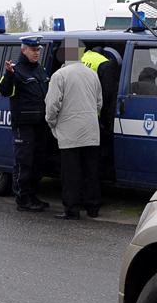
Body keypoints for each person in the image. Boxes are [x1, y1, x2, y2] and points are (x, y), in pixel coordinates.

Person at [47, 40, 103, 219]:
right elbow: (99, 102)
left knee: (71, 173)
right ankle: (93, 208)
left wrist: (52, 122)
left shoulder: (59, 75)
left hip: (69, 132)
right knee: (91, 171)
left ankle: (72, 210)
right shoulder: (92, 74)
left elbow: (52, 105)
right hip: (91, 131)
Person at [0, 37, 51, 212]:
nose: (36, 53)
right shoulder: (16, 71)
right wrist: (8, 75)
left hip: (40, 124)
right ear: (24, 50)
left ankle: (32, 195)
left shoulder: (40, 70)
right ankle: (22, 199)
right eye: (33, 50)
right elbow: (4, 91)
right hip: (24, 126)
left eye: (38, 50)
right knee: (24, 163)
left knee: (38, 163)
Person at [80, 45, 121, 178]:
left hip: (74, 115)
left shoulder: (78, 60)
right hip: (93, 117)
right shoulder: (105, 64)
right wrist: (106, 123)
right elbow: (106, 96)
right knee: (93, 157)